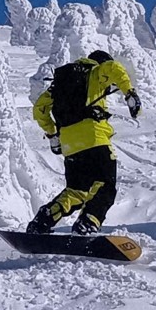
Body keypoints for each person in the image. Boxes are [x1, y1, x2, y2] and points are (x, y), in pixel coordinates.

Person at [26, 50, 142, 235]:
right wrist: (129, 93)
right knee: (105, 185)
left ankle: (43, 220)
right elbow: (113, 67)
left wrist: (52, 134)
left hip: (70, 146)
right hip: (94, 139)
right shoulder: (95, 72)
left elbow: (40, 108)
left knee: (76, 190)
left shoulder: (61, 84)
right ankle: (87, 223)